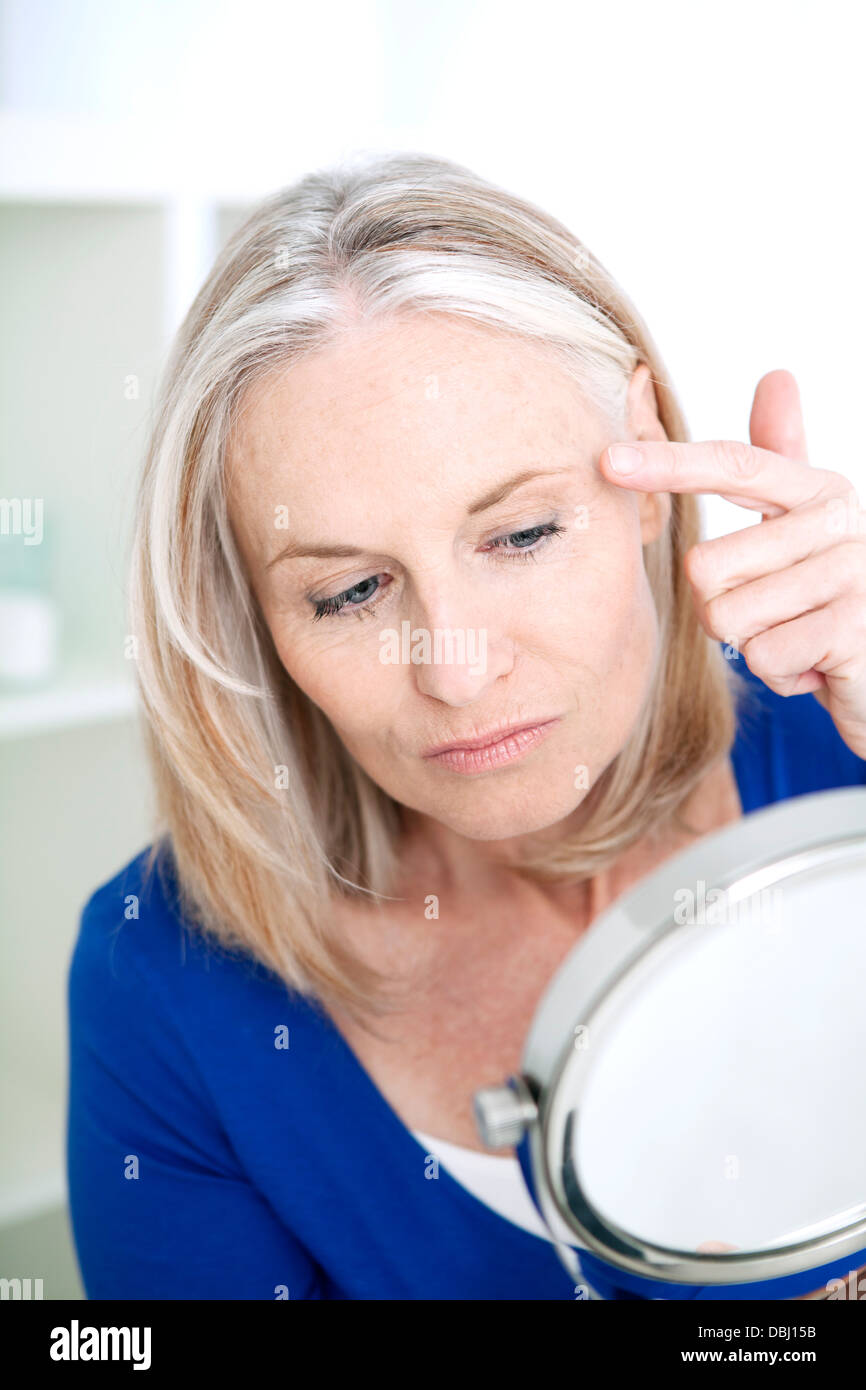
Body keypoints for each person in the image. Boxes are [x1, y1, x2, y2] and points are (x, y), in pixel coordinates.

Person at [67, 152, 866, 1300]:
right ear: (247, 605)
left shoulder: (836, 742)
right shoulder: (167, 979)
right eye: (348, 594)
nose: (454, 669)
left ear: (644, 462)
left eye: (521, 534)